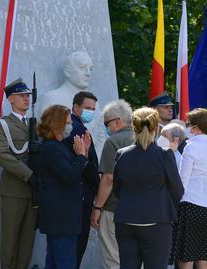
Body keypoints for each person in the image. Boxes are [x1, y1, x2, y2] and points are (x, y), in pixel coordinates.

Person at [113, 107, 184, 269]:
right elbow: (178, 191)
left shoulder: (121, 154)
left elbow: (117, 189)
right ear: (156, 127)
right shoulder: (165, 155)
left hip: (126, 220)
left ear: (134, 126)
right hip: (157, 221)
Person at [34, 105, 91, 269]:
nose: (70, 127)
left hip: (62, 218)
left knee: (54, 261)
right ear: (56, 124)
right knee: (65, 262)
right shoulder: (51, 148)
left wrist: (84, 154)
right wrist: (81, 156)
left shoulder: (58, 146)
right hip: (61, 218)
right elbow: (70, 175)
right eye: (67, 123)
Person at [0, 78, 37, 269]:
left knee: (27, 245)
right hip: (14, 190)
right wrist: (29, 175)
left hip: (34, 192)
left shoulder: (36, 124)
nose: (27, 99)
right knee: (10, 243)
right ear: (11, 99)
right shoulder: (3, 124)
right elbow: (1, 155)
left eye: (28, 95)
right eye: (22, 96)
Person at [172, 108, 207, 269]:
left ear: (196, 127)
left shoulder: (190, 146)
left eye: (188, 124)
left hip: (191, 205)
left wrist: (173, 202)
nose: (187, 127)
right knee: (204, 257)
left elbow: (183, 180)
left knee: (186, 256)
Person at [90, 99, 134, 269]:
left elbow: (108, 178)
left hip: (114, 209)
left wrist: (97, 207)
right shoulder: (146, 138)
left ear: (117, 121)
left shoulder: (113, 141)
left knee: (113, 259)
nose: (106, 127)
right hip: (143, 211)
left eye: (106, 123)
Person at [37, 51, 107, 155]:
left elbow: (101, 137)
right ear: (67, 71)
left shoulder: (94, 103)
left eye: (90, 69)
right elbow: (45, 135)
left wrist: (97, 165)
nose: (88, 73)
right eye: (82, 68)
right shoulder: (51, 98)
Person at [61, 91, 101, 268]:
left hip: (74, 197)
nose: (90, 112)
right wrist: (98, 188)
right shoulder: (76, 129)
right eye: (87, 108)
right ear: (75, 107)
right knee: (75, 252)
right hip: (80, 196)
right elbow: (88, 165)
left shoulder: (75, 125)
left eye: (93, 109)